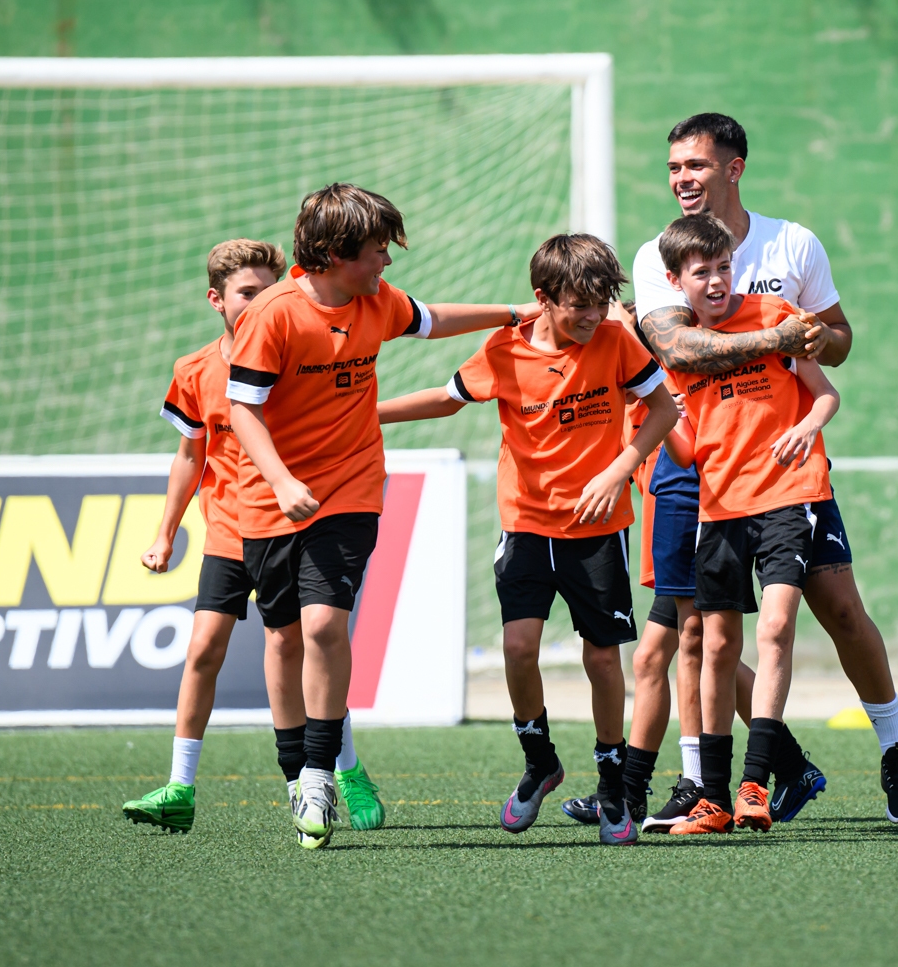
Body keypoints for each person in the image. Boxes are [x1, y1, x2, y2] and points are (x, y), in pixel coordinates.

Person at [632, 113, 898, 822]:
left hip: (790, 472)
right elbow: (678, 351)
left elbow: (839, 341)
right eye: (674, 167)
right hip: (702, 473)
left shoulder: (792, 244)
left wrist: (813, 339)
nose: (682, 178)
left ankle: (894, 749)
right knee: (698, 633)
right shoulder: (657, 256)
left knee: (840, 611)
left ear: (734, 168)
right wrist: (777, 337)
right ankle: (707, 783)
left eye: (696, 165)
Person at [227, 183, 528, 849]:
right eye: (377, 250)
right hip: (271, 497)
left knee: (324, 625)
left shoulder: (377, 301)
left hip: (352, 487)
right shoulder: (274, 315)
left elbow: (433, 319)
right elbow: (242, 409)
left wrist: (515, 312)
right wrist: (280, 480)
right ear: (335, 254)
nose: (388, 261)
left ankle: (319, 773)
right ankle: (293, 769)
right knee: (283, 638)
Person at [377, 233, 677, 846]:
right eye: (580, 305)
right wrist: (365, 414)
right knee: (519, 648)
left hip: (597, 530)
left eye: (602, 303)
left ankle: (612, 781)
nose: (594, 316)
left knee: (602, 657)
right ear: (543, 298)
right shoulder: (505, 350)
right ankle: (540, 762)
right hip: (525, 525)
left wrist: (619, 468)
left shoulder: (616, 341)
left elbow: (665, 410)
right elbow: (446, 399)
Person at [123, 240, 398, 832]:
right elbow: (189, 456)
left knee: (313, 639)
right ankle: (181, 784)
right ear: (216, 300)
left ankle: (342, 770)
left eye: (268, 290)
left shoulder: (293, 344)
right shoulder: (195, 370)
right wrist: (165, 534)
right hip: (230, 528)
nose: (259, 302)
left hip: (294, 519)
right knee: (205, 648)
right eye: (246, 293)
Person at [649, 213, 846, 835]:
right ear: (675, 282)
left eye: (724, 267)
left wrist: (807, 426)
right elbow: (685, 451)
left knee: (778, 627)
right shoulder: (678, 351)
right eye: (700, 272)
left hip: (789, 493)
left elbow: (827, 394)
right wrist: (660, 415)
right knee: (716, 646)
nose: (716, 280)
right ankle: (711, 798)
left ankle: (755, 784)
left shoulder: (774, 315)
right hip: (720, 507)